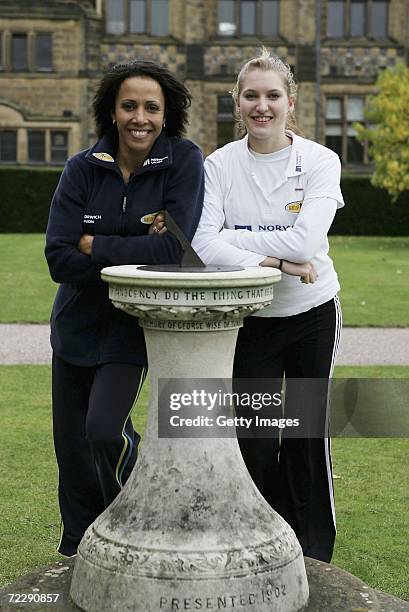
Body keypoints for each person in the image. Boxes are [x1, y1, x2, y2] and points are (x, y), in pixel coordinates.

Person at [45, 60, 204, 557]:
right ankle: (77, 545)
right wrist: (135, 243)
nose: (141, 117)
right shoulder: (81, 168)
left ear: (166, 113)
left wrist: (96, 244)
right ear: (112, 112)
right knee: (72, 451)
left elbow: (175, 253)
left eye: (151, 107)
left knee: (104, 429)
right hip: (75, 325)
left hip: (132, 327)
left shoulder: (183, 161)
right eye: (129, 106)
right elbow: (58, 258)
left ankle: (137, 520)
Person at [190, 48, 344, 563]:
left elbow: (307, 245)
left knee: (304, 435)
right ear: (237, 102)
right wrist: (278, 261)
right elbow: (206, 246)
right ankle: (264, 543)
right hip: (250, 319)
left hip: (312, 315)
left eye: (272, 95)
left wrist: (246, 239)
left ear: (290, 102)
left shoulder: (321, 162)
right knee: (254, 440)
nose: (262, 106)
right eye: (251, 96)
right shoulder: (219, 165)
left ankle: (314, 554)